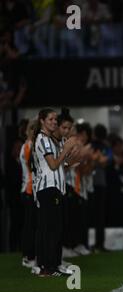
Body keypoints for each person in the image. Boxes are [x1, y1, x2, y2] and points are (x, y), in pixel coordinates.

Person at [32, 108, 76, 276]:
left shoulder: (50, 140)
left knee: (55, 229)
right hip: (47, 188)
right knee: (50, 229)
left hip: (55, 188)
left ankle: (54, 264)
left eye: (55, 119)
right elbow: (52, 165)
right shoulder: (43, 139)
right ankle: (46, 267)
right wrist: (66, 149)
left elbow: (59, 165)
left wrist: (71, 157)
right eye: (50, 119)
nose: (54, 122)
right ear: (42, 120)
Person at [19, 119, 38, 268]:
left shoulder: (29, 145)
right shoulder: (28, 146)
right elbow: (33, 168)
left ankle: (31, 254)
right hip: (29, 189)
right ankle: (28, 256)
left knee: (32, 225)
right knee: (30, 225)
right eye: (33, 129)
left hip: (31, 189)